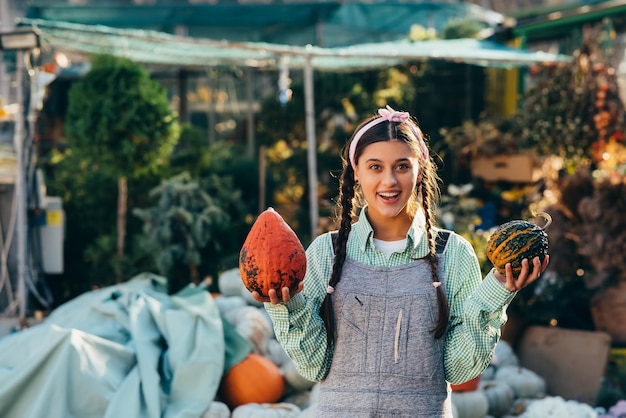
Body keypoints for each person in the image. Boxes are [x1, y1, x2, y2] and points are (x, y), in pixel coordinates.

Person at [252, 105, 549, 417]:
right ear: (357, 171)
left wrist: (498, 290)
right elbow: (314, 367)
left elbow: (459, 370)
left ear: (419, 169)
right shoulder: (326, 252)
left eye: (402, 166)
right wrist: (286, 305)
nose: (389, 181)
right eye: (375, 167)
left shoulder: (453, 253)